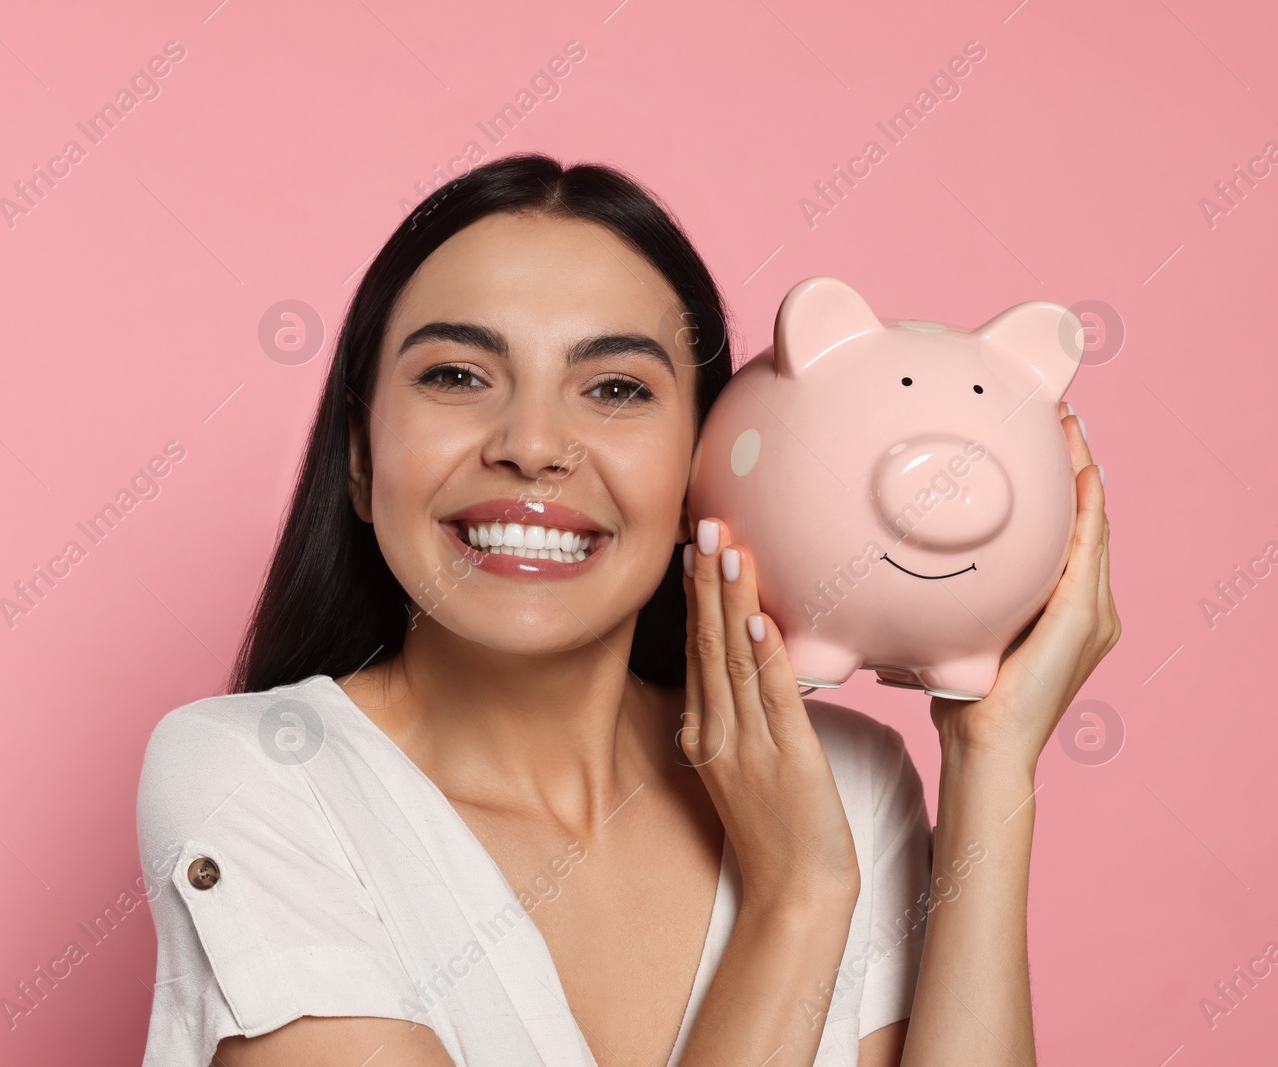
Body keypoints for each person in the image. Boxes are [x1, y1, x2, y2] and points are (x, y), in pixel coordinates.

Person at [136, 153, 1120, 1067]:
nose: (531, 443)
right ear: (359, 456)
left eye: (613, 386)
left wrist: (992, 756)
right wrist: (798, 897)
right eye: (456, 375)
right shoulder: (261, 772)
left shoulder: (853, 780)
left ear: (702, 465)